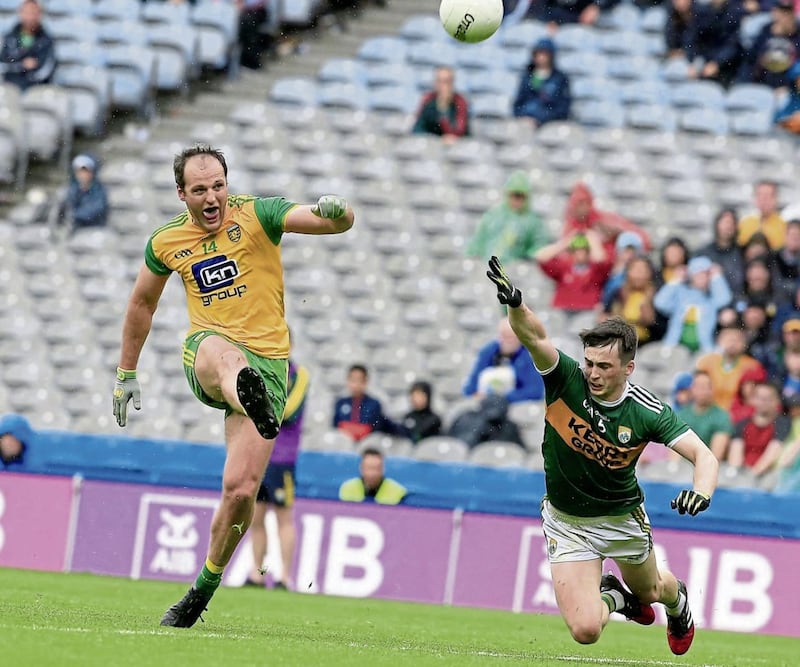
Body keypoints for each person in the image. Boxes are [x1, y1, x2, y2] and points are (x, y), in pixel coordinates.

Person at [111, 144, 354, 628]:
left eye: (217, 186)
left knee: (241, 490)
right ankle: (240, 383)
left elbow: (332, 223)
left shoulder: (260, 214)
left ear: (228, 184)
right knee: (224, 355)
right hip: (207, 352)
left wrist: (340, 210)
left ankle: (201, 591)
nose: (211, 197)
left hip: (270, 368)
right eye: (199, 189)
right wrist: (126, 373)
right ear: (181, 193)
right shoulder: (166, 242)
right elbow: (142, 304)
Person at [485, 256, 718, 656]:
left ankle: (677, 602)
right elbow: (535, 337)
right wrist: (516, 304)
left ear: (628, 368)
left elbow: (704, 456)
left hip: (620, 518)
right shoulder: (565, 379)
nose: (592, 373)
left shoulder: (646, 411)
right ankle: (618, 600)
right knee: (586, 630)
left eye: (604, 367)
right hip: (566, 520)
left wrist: (702, 491)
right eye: (590, 363)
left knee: (653, 589)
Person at [244, 354, 309, 591]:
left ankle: (284, 577)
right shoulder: (259, 367)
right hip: (259, 453)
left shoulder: (299, 375)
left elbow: (289, 410)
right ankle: (256, 573)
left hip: (282, 458)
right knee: (256, 516)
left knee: (284, 517)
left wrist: (259, 402)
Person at [465, 170, 550, 264]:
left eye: (520, 196)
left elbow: (538, 247)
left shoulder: (533, 222)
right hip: (487, 266)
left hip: (514, 270)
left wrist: (525, 257)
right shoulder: (494, 215)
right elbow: (479, 239)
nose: (517, 200)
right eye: (514, 195)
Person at [653, 256, 733, 354]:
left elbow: (724, 299)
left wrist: (717, 276)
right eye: (697, 275)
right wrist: (676, 280)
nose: (701, 278)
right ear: (691, 276)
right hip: (675, 346)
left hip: (703, 348)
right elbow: (660, 302)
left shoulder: (710, 300)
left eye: (705, 275)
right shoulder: (681, 294)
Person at [462, 318, 545, 403]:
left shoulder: (528, 356)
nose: (506, 341)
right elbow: (470, 388)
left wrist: (504, 397)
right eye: (503, 336)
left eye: (510, 337)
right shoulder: (488, 352)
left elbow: (535, 391)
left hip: (516, 405)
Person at [561, 182, 650, 259]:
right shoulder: (570, 227)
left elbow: (642, 239)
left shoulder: (605, 219)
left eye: (586, 202)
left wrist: (618, 232)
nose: (583, 207)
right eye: (579, 203)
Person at [534, 230, 611, 314]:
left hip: (586, 311)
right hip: (562, 310)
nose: (580, 253)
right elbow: (540, 257)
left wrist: (593, 240)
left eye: (584, 250)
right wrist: (565, 242)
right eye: (576, 250)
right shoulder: (564, 266)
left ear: (589, 252)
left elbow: (601, 260)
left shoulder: (596, 270)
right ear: (571, 251)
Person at [696, 324, 766, 412]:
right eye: (728, 339)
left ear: (744, 343)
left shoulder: (752, 366)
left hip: (738, 415)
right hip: (708, 413)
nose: (732, 343)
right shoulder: (706, 362)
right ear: (719, 341)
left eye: (737, 340)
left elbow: (752, 399)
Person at [727, 381, 790, 478]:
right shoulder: (742, 424)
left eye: (768, 398)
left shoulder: (782, 423)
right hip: (742, 472)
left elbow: (772, 453)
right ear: (753, 400)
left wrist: (752, 476)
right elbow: (735, 454)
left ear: (777, 401)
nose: (763, 402)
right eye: (760, 398)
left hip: (767, 473)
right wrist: (734, 473)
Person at [737, 0, 800, 89]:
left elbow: (796, 61)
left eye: (787, 13)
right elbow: (752, 56)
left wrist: (789, 33)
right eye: (780, 12)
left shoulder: (797, 33)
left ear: (793, 14)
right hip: (762, 80)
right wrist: (773, 35)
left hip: (788, 84)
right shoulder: (767, 29)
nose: (783, 17)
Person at [511, 38, 571, 129]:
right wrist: (524, 117)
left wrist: (541, 119)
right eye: (538, 53)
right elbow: (518, 104)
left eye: (544, 54)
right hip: (526, 123)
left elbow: (563, 108)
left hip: (549, 125)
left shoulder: (560, 79)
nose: (541, 57)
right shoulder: (527, 77)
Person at [675, 371, 734, 461]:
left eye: (704, 387)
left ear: (711, 390)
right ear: (692, 389)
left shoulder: (721, 417)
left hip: (706, 466)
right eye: (697, 386)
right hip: (682, 468)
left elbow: (715, 456)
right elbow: (674, 451)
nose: (701, 391)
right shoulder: (681, 415)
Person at [332, 364, 400, 441]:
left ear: (365, 382)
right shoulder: (340, 403)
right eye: (352, 380)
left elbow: (375, 430)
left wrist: (353, 430)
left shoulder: (374, 404)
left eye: (359, 380)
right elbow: (336, 428)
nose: (355, 384)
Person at [0, 0, 55, 91]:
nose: (30, 17)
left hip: (36, 89)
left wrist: (28, 78)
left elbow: (46, 69)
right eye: (27, 12)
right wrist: (22, 65)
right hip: (11, 87)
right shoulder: (10, 38)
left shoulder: (46, 41)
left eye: (33, 12)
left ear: (39, 14)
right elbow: (2, 64)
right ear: (21, 13)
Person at [412, 66, 469, 143]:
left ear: (452, 83)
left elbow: (459, 131)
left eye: (446, 81)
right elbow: (417, 129)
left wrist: (444, 108)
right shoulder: (428, 100)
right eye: (439, 81)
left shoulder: (460, 102)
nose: (442, 85)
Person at [696, 208, 744, 294]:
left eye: (731, 223)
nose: (728, 226)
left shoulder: (743, 253)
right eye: (725, 222)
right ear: (717, 224)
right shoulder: (703, 253)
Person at [338, 447, 408, 504]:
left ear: (383, 469)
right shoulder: (347, 488)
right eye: (369, 468)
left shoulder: (398, 491)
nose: (372, 474)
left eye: (376, 468)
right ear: (361, 468)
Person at [63, 154, 109, 230]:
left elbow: (96, 210)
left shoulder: (99, 190)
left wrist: (74, 215)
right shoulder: (71, 189)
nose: (82, 175)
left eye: (85, 171)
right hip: (74, 229)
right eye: (79, 171)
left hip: (94, 229)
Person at [737, 180, 786, 251]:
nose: (763, 200)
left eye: (767, 196)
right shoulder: (745, 223)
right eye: (760, 195)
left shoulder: (784, 227)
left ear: (776, 199)